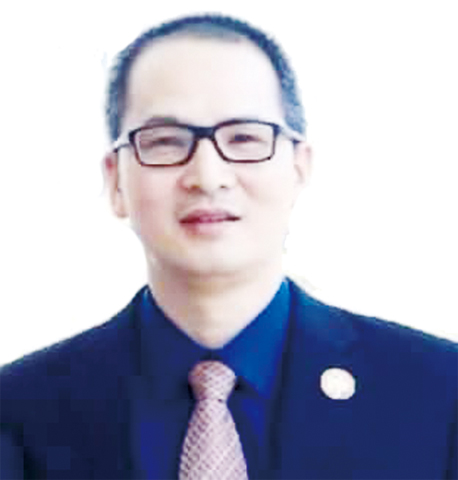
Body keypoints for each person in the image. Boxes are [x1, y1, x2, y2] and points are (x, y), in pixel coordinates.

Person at [1, 13, 457, 480]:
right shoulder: (19, 411)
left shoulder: (438, 394)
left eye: (244, 137)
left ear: (299, 167)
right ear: (116, 180)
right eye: (165, 141)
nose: (208, 176)